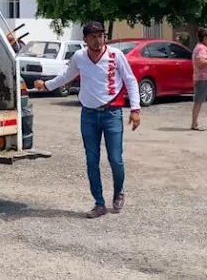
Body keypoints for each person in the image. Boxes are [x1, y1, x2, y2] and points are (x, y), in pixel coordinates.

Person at [35, 21, 141, 218]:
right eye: (93, 36)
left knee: (115, 159)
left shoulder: (115, 55)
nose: (98, 40)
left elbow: (130, 80)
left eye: (100, 35)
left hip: (112, 113)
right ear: (85, 40)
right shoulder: (79, 57)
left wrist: (136, 109)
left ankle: (119, 191)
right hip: (89, 115)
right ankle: (99, 203)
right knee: (92, 161)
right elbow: (67, 76)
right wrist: (47, 86)